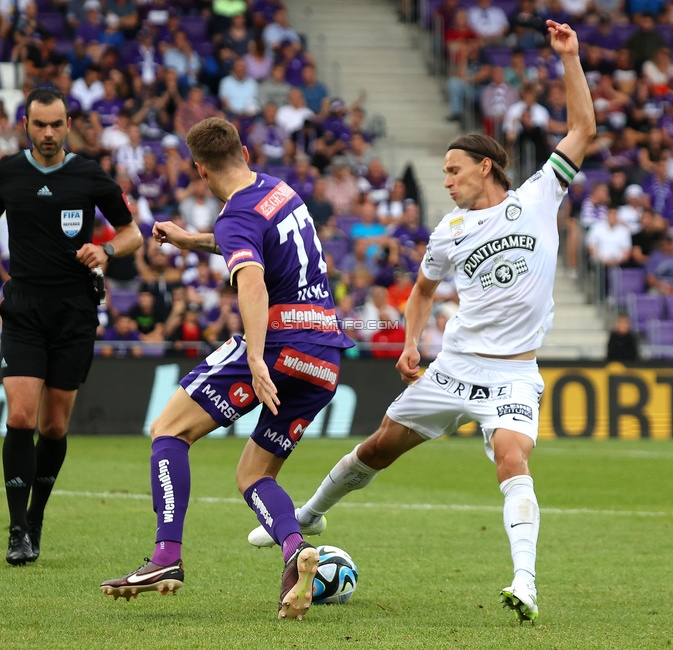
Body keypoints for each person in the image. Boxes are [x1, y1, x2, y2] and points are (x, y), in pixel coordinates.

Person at [245, 20, 595, 624]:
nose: (447, 181)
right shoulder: (448, 232)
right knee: (379, 448)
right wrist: (411, 344)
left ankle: (525, 582)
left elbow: (584, 128)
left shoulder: (538, 197)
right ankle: (308, 516)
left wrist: (570, 57)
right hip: (454, 366)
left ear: (487, 166)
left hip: (513, 376)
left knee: (512, 457)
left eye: (455, 171)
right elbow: (423, 290)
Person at [99, 117, 354, 621]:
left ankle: (165, 558)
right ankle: (294, 550)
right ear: (242, 148)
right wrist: (189, 239)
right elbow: (244, 242)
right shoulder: (279, 191)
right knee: (254, 474)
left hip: (278, 343)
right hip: (324, 356)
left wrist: (256, 357)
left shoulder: (234, 215)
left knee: (168, 430)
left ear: (199, 170)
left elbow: (252, 281)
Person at [0, 87, 143, 566]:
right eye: (40, 124)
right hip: (23, 308)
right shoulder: (7, 172)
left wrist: (105, 250)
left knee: (53, 425)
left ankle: (37, 516)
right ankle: (17, 530)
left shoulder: (89, 175)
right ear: (26, 123)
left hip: (75, 312)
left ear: (68, 124)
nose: (48, 133)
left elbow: (132, 232)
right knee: (21, 417)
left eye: (56, 124)